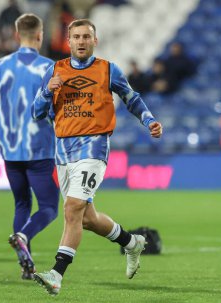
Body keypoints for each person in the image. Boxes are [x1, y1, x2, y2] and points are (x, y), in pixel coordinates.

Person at [31, 19, 162, 295]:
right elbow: (36, 112)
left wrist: (149, 120)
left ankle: (57, 274)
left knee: (72, 208)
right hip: (64, 151)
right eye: (76, 36)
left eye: (86, 37)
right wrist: (46, 91)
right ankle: (131, 242)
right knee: (86, 218)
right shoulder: (54, 70)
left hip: (94, 147)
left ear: (95, 40)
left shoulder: (107, 70)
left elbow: (131, 97)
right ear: (69, 41)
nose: (81, 41)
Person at [0, 13, 60, 280]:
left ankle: (26, 266)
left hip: (9, 149)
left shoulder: (0, 66)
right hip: (39, 148)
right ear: (40, 35)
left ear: (16, 33)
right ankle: (24, 235)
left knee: (22, 203)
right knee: (49, 207)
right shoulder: (49, 67)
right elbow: (57, 110)